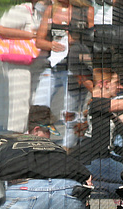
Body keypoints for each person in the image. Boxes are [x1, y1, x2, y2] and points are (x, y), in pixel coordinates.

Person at [33, 0, 93, 148]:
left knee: (69, 112)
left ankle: (68, 149)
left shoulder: (86, 10)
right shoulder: (50, 10)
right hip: (53, 66)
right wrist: (51, 44)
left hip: (76, 69)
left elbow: (94, 39)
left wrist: (78, 41)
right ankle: (40, 143)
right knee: (39, 106)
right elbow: (39, 40)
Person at [0, 0, 44, 133]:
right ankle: (17, 134)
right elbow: (1, 29)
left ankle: (25, 132)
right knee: (20, 99)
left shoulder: (36, 11)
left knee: (29, 98)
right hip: (17, 62)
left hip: (29, 63)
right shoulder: (21, 10)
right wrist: (31, 35)